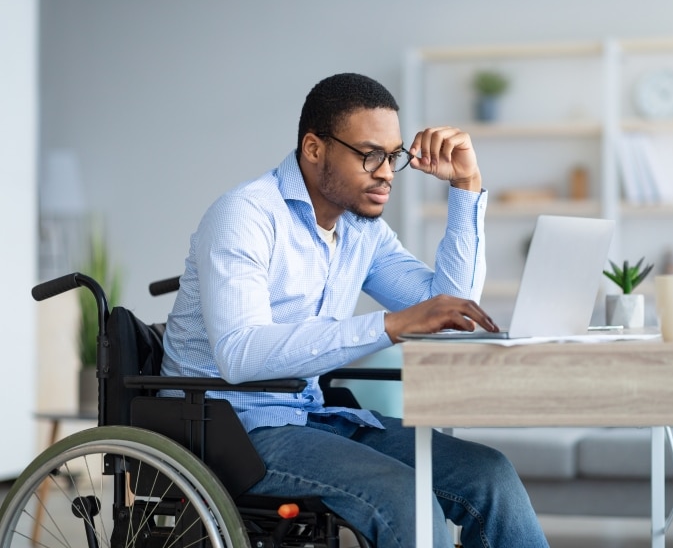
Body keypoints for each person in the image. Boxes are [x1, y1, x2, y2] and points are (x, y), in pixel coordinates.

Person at [161, 72, 549, 547]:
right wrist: (391, 326)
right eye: (370, 154)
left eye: (393, 156)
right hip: (232, 431)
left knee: (488, 474)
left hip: (311, 417)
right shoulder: (245, 215)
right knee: (407, 498)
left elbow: (452, 311)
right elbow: (240, 354)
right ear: (314, 148)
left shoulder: (362, 231)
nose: (386, 172)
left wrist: (466, 186)